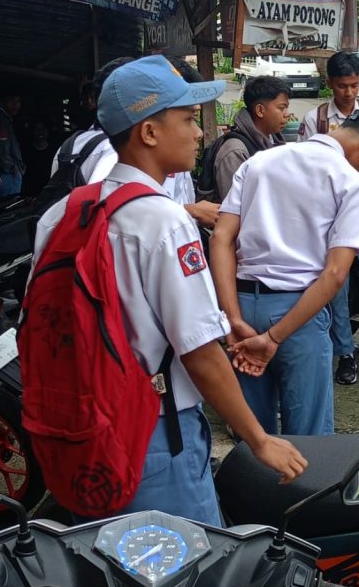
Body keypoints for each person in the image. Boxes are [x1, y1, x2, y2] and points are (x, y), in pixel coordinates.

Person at [30, 56, 306, 525]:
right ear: (149, 132)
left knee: (104, 555)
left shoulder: (63, 213)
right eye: (188, 119)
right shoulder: (163, 220)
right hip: (153, 432)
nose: (199, 133)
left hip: (81, 425)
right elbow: (198, 353)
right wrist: (259, 439)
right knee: (185, 558)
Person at [211, 110, 359, 434]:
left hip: (243, 307)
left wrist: (233, 318)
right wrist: (273, 338)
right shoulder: (351, 183)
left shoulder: (259, 162)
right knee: (310, 442)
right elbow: (335, 274)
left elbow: (221, 238)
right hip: (298, 315)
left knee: (254, 439)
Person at [300, 52, 359, 386]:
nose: (349, 92)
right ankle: (345, 352)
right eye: (342, 86)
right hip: (330, 215)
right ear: (330, 84)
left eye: (354, 85)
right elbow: (308, 169)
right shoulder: (316, 120)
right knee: (336, 282)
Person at [48, 57, 220, 232]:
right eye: (188, 117)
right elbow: (113, 219)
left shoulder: (74, 143)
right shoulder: (117, 152)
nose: (198, 132)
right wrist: (189, 212)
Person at [210, 76, 290, 201]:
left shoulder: (275, 141)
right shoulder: (235, 151)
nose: (287, 114)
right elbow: (235, 205)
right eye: (281, 108)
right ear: (260, 110)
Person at [0, 90, 25, 196]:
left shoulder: (1, 119)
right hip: (7, 175)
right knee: (9, 202)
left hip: (2, 173)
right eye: (11, 101)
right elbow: (2, 151)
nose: (15, 105)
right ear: (2, 102)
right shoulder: (1, 121)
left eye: (18, 101)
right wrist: (13, 168)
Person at [22, 119, 57, 197]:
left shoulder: (54, 150)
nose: (40, 132)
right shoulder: (26, 151)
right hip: (30, 193)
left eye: (43, 129)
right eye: (37, 129)